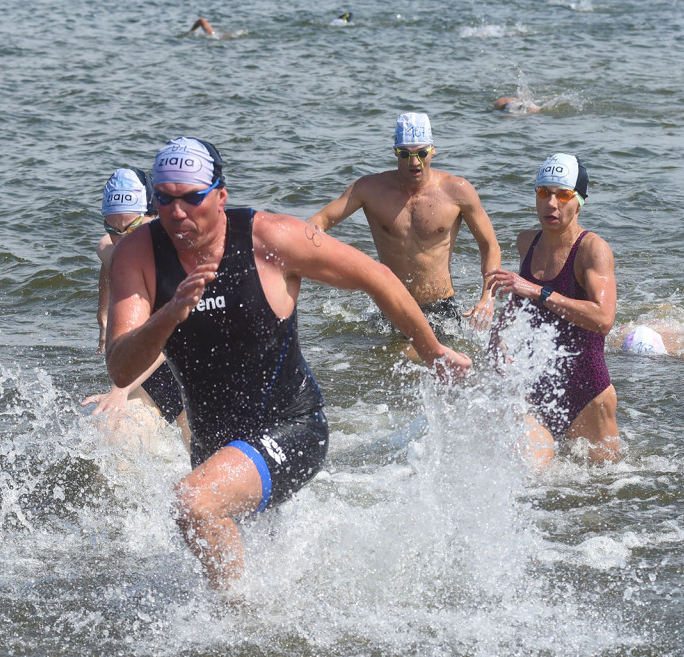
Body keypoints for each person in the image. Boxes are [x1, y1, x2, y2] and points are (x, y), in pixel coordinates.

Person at [105, 137, 471, 589]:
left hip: (292, 427)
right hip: (214, 442)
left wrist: (433, 350)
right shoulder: (138, 253)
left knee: (193, 504)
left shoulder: (271, 239)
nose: (176, 213)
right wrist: (168, 315)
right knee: (253, 561)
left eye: (191, 198)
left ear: (220, 196)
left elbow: (378, 277)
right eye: (164, 198)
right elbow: (120, 368)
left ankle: (236, 635)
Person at [307, 112, 501, 331]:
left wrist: (488, 298)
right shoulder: (369, 190)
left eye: (422, 153)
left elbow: (490, 246)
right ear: (395, 152)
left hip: (440, 309)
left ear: (433, 150)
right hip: (391, 305)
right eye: (405, 154)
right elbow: (318, 222)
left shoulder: (457, 191)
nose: (414, 162)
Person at [487, 154, 620, 466]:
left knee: (604, 489)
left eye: (563, 195)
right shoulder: (527, 242)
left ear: (580, 201)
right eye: (543, 193)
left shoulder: (592, 250)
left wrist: (539, 291)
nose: (551, 204)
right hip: (537, 390)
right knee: (527, 477)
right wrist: (499, 334)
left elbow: (603, 319)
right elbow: (518, 299)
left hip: (587, 394)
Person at [82, 169, 190, 446]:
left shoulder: (180, 262)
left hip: (200, 374)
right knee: (114, 435)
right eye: (112, 228)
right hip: (154, 375)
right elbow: (108, 254)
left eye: (131, 228)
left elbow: (168, 339)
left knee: (207, 471)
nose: (122, 240)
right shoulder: (119, 247)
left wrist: (120, 389)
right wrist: (103, 314)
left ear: (158, 216)